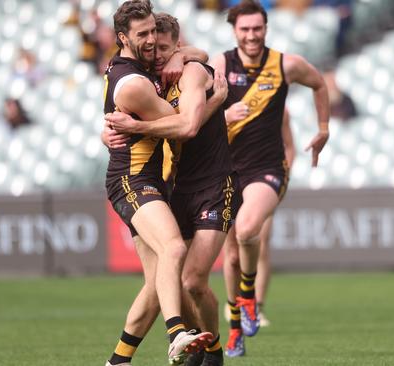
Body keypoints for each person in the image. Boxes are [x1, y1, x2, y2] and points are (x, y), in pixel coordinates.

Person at [105, 12, 238, 366]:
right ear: (126, 39)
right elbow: (182, 124)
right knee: (172, 265)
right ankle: (177, 338)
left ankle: (200, 352)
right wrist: (124, 128)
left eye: (163, 44)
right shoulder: (142, 79)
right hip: (153, 182)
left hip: (209, 183)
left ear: (177, 45)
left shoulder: (186, 70)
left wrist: (186, 57)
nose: (156, 50)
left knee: (180, 280)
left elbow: (188, 120)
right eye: (147, 40)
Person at [209, 0, 330, 357]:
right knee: (230, 256)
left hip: (267, 169)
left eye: (257, 28)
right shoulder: (219, 65)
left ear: (266, 28)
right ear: (234, 32)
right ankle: (235, 329)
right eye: (244, 29)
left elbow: (319, 84)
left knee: (248, 230)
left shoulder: (284, 64)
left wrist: (324, 128)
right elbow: (195, 113)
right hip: (225, 169)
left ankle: (249, 296)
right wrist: (223, 115)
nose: (251, 35)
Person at [223, 107, 295, 328]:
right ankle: (233, 304)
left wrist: (281, 176)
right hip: (229, 181)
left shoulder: (278, 108)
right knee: (233, 253)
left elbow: (290, 147)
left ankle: (256, 306)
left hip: (263, 180)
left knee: (261, 244)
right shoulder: (226, 105)